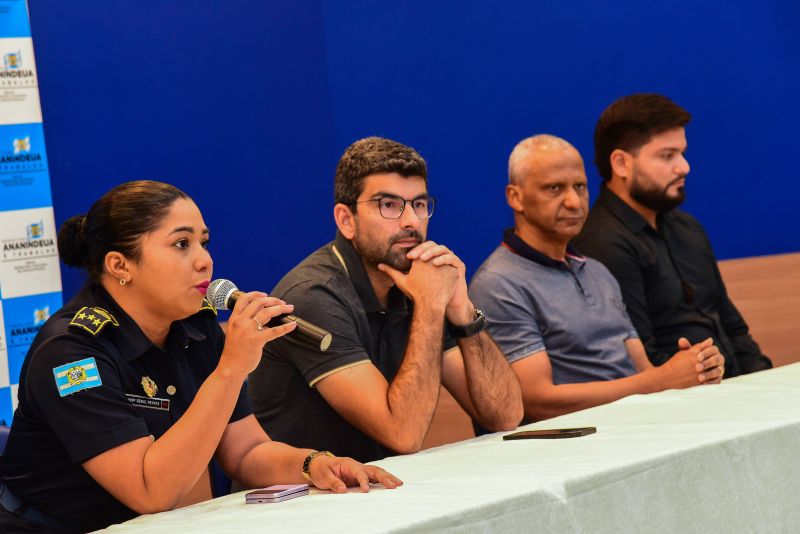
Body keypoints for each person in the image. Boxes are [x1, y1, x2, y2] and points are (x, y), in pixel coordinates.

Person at [0, 181, 401, 533]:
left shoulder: (195, 325)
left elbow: (244, 452)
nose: (204, 260)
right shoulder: (72, 353)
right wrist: (230, 370)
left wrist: (314, 463)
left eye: (203, 242)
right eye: (181, 244)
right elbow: (150, 490)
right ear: (120, 265)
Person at [248, 137, 523, 462]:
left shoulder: (415, 283)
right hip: (304, 500)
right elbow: (404, 434)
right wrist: (431, 307)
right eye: (388, 205)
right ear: (346, 220)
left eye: (419, 204)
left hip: (377, 490)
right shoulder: (313, 296)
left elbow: (505, 416)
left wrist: (462, 310)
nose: (410, 221)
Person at [469, 135, 724, 422]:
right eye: (554, 188)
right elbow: (535, 401)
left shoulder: (597, 272)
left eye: (580, 186)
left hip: (639, 426)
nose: (574, 201)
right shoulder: (499, 283)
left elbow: (643, 370)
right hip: (569, 447)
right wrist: (660, 382)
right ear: (515, 197)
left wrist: (694, 367)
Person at [574, 94, 772, 377]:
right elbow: (639, 359)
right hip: (682, 403)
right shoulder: (602, 243)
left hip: (731, 391)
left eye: (682, 152)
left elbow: (733, 328)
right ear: (620, 164)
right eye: (667, 156)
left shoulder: (687, 228)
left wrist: (761, 381)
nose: (684, 167)